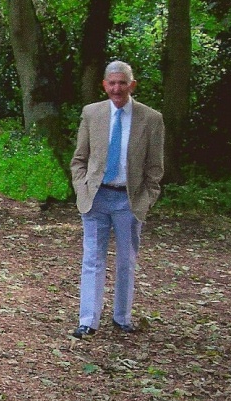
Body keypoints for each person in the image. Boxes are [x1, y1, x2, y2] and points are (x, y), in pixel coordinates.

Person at [69, 60, 164, 338]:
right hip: (96, 198)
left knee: (126, 261)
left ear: (132, 85)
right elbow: (79, 159)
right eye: (112, 83)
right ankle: (88, 320)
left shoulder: (151, 119)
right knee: (92, 259)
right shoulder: (92, 113)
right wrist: (82, 188)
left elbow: (156, 167)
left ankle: (122, 317)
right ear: (104, 84)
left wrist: (146, 199)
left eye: (122, 83)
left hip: (129, 201)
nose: (116, 88)